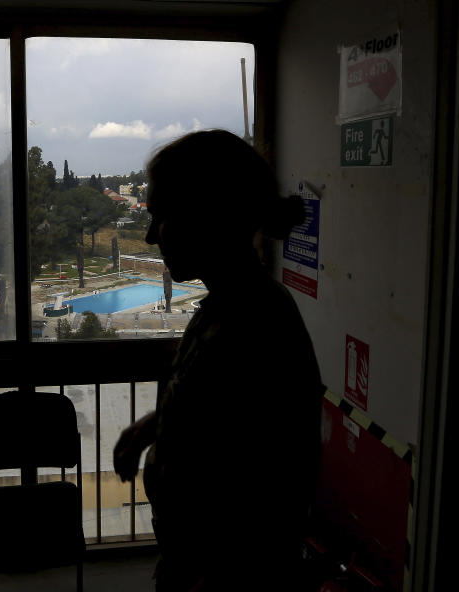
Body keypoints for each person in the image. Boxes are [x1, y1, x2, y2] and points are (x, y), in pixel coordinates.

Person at [113, 130, 325, 591]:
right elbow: (222, 417)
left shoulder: (252, 325)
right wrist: (152, 426)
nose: (150, 236)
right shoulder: (230, 307)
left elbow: (268, 493)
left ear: (206, 215)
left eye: (161, 217)